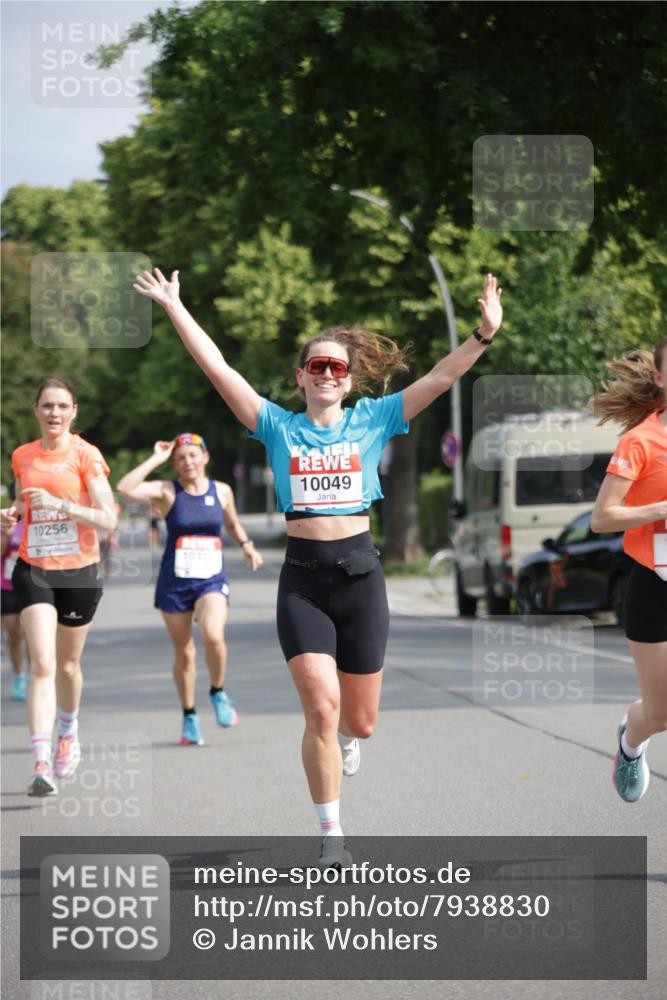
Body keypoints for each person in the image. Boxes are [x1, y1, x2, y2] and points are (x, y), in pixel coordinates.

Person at [133, 266, 503, 866]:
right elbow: (219, 369)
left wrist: (483, 335)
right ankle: (332, 835)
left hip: (361, 575)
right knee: (321, 709)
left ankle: (349, 742)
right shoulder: (276, 425)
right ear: (301, 376)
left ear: (350, 379)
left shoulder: (374, 419)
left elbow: (440, 377)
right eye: (317, 366)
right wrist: (176, 307)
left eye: (337, 367)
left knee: (361, 720)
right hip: (303, 580)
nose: (327, 374)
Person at [0, 378, 117, 796]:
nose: (54, 413)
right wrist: (11, 514)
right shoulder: (23, 456)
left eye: (62, 406)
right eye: (47, 405)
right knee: (43, 664)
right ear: (37, 410)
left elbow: (108, 519)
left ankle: (68, 729)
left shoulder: (86, 456)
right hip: (34, 569)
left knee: (67, 666)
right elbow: (22, 502)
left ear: (73, 412)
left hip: (79, 573)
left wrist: (62, 505)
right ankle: (41, 762)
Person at [117, 434, 263, 745]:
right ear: (175, 463)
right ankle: (189, 715)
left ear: (205, 457)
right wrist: (156, 458)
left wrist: (248, 546)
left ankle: (218, 691)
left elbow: (233, 524)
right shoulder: (167, 491)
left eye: (194, 456)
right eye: (181, 458)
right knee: (184, 653)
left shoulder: (221, 490)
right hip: (175, 583)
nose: (188, 462)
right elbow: (125, 488)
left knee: (213, 635)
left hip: (211, 579)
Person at [591, 338, 667, 803]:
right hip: (654, 586)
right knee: (660, 713)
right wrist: (659, 508)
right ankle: (631, 741)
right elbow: (603, 518)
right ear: (659, 378)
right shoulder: (641, 441)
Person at [1, 505, 28, 700]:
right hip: (7, 585)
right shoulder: (6, 519)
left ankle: (37, 675)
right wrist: (7, 536)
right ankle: (19, 676)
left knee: (32, 635)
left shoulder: (35, 520)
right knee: (14, 635)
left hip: (32, 585)